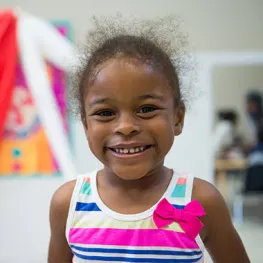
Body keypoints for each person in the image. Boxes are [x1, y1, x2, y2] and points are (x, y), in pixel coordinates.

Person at [48, 16, 250, 263]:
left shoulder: (200, 201)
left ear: (177, 118)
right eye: (105, 113)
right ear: (86, 126)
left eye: (146, 109)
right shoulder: (68, 203)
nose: (126, 127)